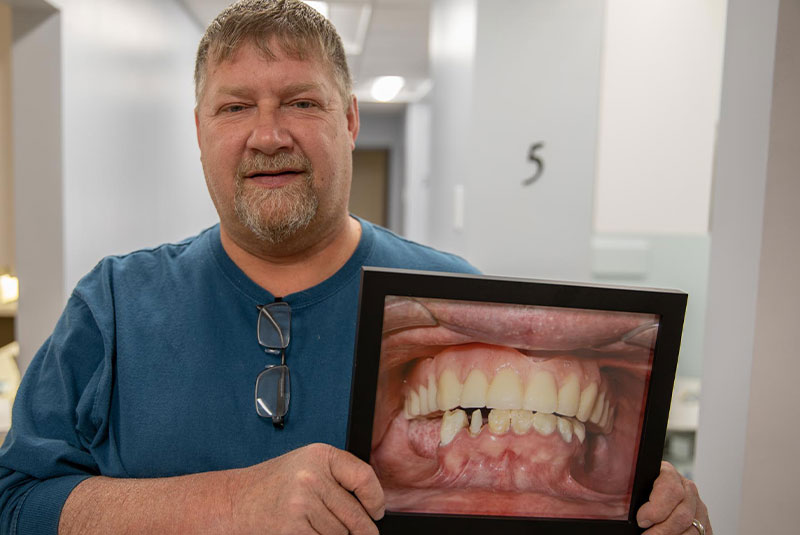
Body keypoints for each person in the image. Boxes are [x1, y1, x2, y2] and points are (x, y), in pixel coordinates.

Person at [0, 1, 712, 534]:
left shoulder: (459, 302)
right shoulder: (114, 305)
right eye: (236, 106)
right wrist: (233, 502)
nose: (269, 133)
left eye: (301, 102)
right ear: (199, 130)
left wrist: (648, 510)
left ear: (349, 120)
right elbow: (15, 501)